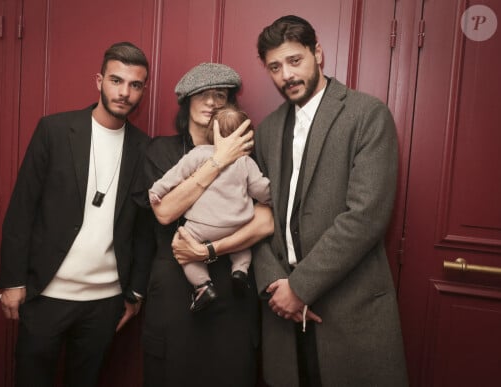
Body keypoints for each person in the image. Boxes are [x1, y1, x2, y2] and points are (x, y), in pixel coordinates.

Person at [246, 15, 409, 386]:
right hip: (281, 314)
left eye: (294, 60)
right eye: (275, 67)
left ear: (317, 52)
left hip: (348, 309)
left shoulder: (367, 114)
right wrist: (275, 284)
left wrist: (299, 287)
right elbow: (257, 214)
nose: (286, 74)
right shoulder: (268, 129)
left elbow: (366, 216)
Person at [0, 42, 153, 387]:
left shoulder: (144, 148)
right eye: (116, 80)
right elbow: (22, 208)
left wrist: (135, 294)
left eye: (135, 85)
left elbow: (144, 230)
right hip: (46, 294)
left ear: (143, 90)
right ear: (99, 80)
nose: (124, 92)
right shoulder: (54, 131)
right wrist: (12, 280)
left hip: (105, 302)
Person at [135, 62, 274, 387]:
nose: (212, 102)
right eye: (203, 95)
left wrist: (209, 249)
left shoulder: (248, 155)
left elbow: (265, 221)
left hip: (232, 286)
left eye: (221, 96)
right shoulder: (160, 150)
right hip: (175, 287)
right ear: (187, 101)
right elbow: (165, 211)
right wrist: (217, 160)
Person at [148, 105, 271, 312]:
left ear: (211, 131)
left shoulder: (198, 154)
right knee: (242, 247)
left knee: (182, 247)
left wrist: (157, 190)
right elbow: (262, 190)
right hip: (237, 225)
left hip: (202, 227)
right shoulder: (247, 162)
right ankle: (240, 271)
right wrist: (272, 198)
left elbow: (175, 175)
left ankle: (203, 286)